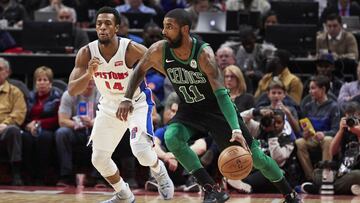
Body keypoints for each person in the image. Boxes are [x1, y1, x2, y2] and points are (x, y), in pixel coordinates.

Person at [117, 8, 301, 203]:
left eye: (169, 27)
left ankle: (290, 193)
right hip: (190, 109)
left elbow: (222, 95)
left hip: (217, 109)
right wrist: (127, 98)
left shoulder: (204, 54)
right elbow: (138, 71)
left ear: (185, 29)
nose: (164, 32)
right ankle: (212, 189)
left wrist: (236, 128)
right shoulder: (159, 50)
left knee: (256, 157)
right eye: (164, 26)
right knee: (172, 137)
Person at [67, 7, 174, 203]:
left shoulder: (131, 48)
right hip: (108, 105)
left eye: (107, 24)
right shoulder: (86, 53)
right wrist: (89, 74)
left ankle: (159, 171)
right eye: (99, 24)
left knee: (141, 151)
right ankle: (124, 194)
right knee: (98, 159)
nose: (102, 28)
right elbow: (73, 90)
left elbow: (163, 67)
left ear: (117, 28)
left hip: (136, 103)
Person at [22, 66, 62, 185]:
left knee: (44, 138)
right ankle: (29, 175)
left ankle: (41, 176)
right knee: (25, 138)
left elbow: (57, 118)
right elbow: (23, 115)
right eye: (39, 80)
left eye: (45, 80)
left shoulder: (56, 97)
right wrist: (28, 125)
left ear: (50, 83)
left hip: (48, 128)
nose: (42, 83)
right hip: (30, 128)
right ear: (35, 83)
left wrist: (39, 123)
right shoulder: (29, 97)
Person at [0, 57, 26, 186]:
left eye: (0, 69)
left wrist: (5, 124)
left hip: (5, 129)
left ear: (7, 72)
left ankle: (16, 173)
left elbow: (19, 113)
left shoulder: (15, 92)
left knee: (14, 130)